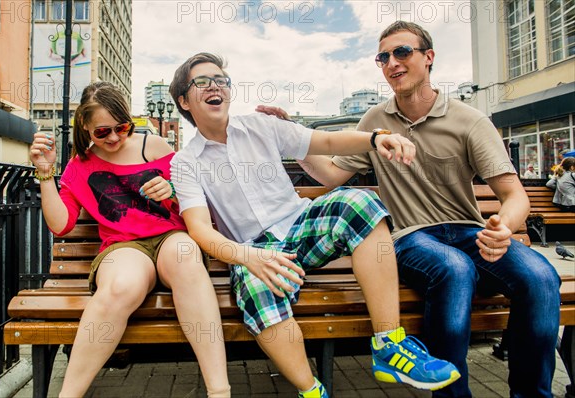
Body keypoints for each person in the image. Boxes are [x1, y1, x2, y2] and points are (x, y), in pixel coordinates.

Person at [263, 21, 561, 398]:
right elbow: (332, 174)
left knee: (541, 277)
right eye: (383, 57)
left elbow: (514, 195)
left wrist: (506, 225)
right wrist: (288, 131)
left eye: (402, 52)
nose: (391, 63)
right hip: (406, 238)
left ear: (429, 58)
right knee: (453, 269)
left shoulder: (469, 120)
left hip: (469, 232)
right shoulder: (375, 122)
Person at [168, 52, 460, 398]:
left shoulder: (261, 126)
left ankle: (389, 346)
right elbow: (200, 229)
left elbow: (328, 142)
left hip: (301, 225)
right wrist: (247, 257)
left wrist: (375, 138)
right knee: (258, 293)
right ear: (184, 100)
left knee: (361, 203)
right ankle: (312, 391)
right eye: (202, 82)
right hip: (254, 249)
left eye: (221, 80)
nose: (215, 86)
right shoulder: (185, 163)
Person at [29, 82, 230, 398]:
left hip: (170, 235)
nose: (113, 138)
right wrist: (45, 174)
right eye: (102, 132)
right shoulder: (79, 166)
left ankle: (219, 391)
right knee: (121, 286)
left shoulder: (157, 146)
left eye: (121, 128)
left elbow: (199, 196)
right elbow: (62, 225)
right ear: (85, 126)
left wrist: (173, 190)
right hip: (124, 246)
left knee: (186, 262)